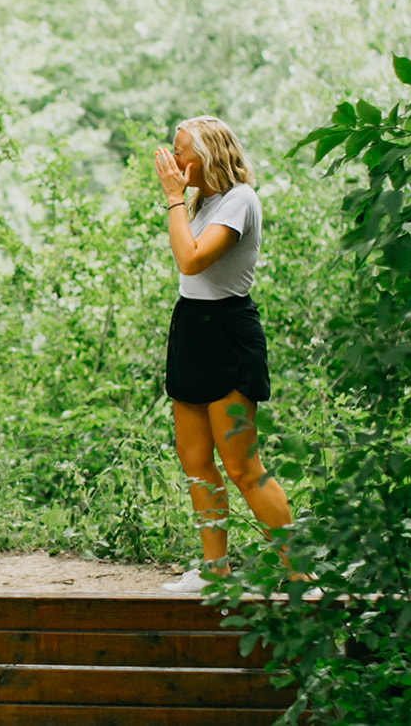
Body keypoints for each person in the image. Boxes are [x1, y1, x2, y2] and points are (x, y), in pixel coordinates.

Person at [153, 116, 294, 593]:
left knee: (241, 465)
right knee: (194, 460)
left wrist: (173, 199)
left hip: (229, 331)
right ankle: (215, 571)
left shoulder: (240, 200)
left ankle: (300, 574)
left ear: (208, 155)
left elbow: (192, 258)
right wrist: (181, 200)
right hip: (191, 326)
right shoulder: (202, 201)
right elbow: (186, 270)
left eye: (182, 152)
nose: (174, 162)